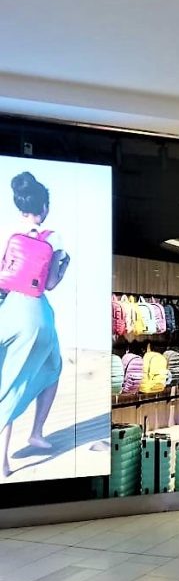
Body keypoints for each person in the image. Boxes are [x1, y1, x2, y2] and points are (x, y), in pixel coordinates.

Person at [0, 172, 70, 478]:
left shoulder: (6, 230)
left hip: (6, 308)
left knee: (7, 378)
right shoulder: (54, 238)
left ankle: (3, 459)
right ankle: (36, 432)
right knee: (52, 367)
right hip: (35, 311)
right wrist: (63, 269)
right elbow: (50, 283)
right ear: (44, 208)